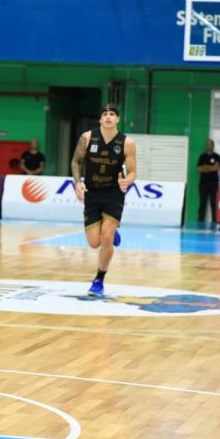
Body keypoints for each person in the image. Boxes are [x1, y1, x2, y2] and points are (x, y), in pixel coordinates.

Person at [71, 106, 137, 297]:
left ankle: (99, 279)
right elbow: (76, 162)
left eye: (112, 114)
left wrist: (127, 181)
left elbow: (133, 172)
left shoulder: (127, 142)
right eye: (105, 114)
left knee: (106, 237)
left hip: (113, 194)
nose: (108, 117)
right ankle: (111, 234)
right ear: (100, 119)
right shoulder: (87, 137)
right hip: (92, 193)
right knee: (94, 243)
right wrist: (77, 183)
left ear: (118, 119)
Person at [197, 139, 220, 223]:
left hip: (213, 184)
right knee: (202, 203)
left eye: (210, 144)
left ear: (213, 146)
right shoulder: (202, 157)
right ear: (206, 146)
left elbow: (217, 168)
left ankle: (215, 221)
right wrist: (211, 167)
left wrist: (206, 167)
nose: (209, 145)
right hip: (203, 184)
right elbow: (199, 169)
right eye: (207, 144)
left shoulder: (217, 156)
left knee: (213, 203)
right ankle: (200, 221)